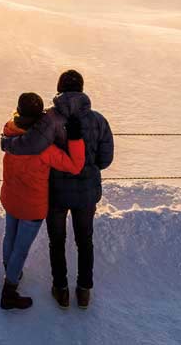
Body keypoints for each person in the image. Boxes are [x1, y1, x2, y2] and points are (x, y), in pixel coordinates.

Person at [0, 92, 85, 311]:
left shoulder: (9, 131)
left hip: (10, 197)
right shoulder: (44, 149)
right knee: (21, 249)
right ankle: (9, 291)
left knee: (10, 236)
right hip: (31, 205)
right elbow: (75, 165)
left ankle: (11, 271)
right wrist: (74, 138)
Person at [46, 69, 114, 309]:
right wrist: (89, 167)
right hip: (86, 193)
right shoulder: (98, 120)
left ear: (60, 89)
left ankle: (60, 290)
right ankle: (84, 291)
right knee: (85, 241)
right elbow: (106, 159)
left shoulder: (50, 119)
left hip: (55, 192)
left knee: (57, 241)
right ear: (82, 90)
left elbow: (38, 152)